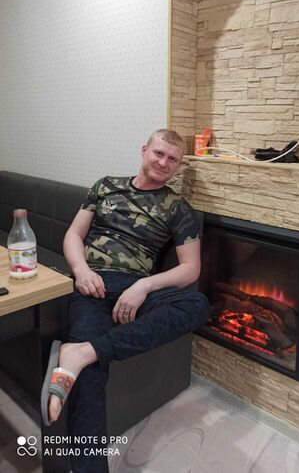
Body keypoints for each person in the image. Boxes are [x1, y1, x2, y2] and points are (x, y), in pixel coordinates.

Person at [41, 129, 209, 473]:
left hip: (136, 287)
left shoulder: (178, 209)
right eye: (158, 153)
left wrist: (145, 285)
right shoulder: (106, 186)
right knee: (89, 376)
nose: (163, 162)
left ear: (178, 166)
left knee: (196, 306)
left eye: (173, 159)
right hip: (93, 282)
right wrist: (81, 270)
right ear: (144, 150)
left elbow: (191, 269)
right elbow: (74, 234)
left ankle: (81, 352)